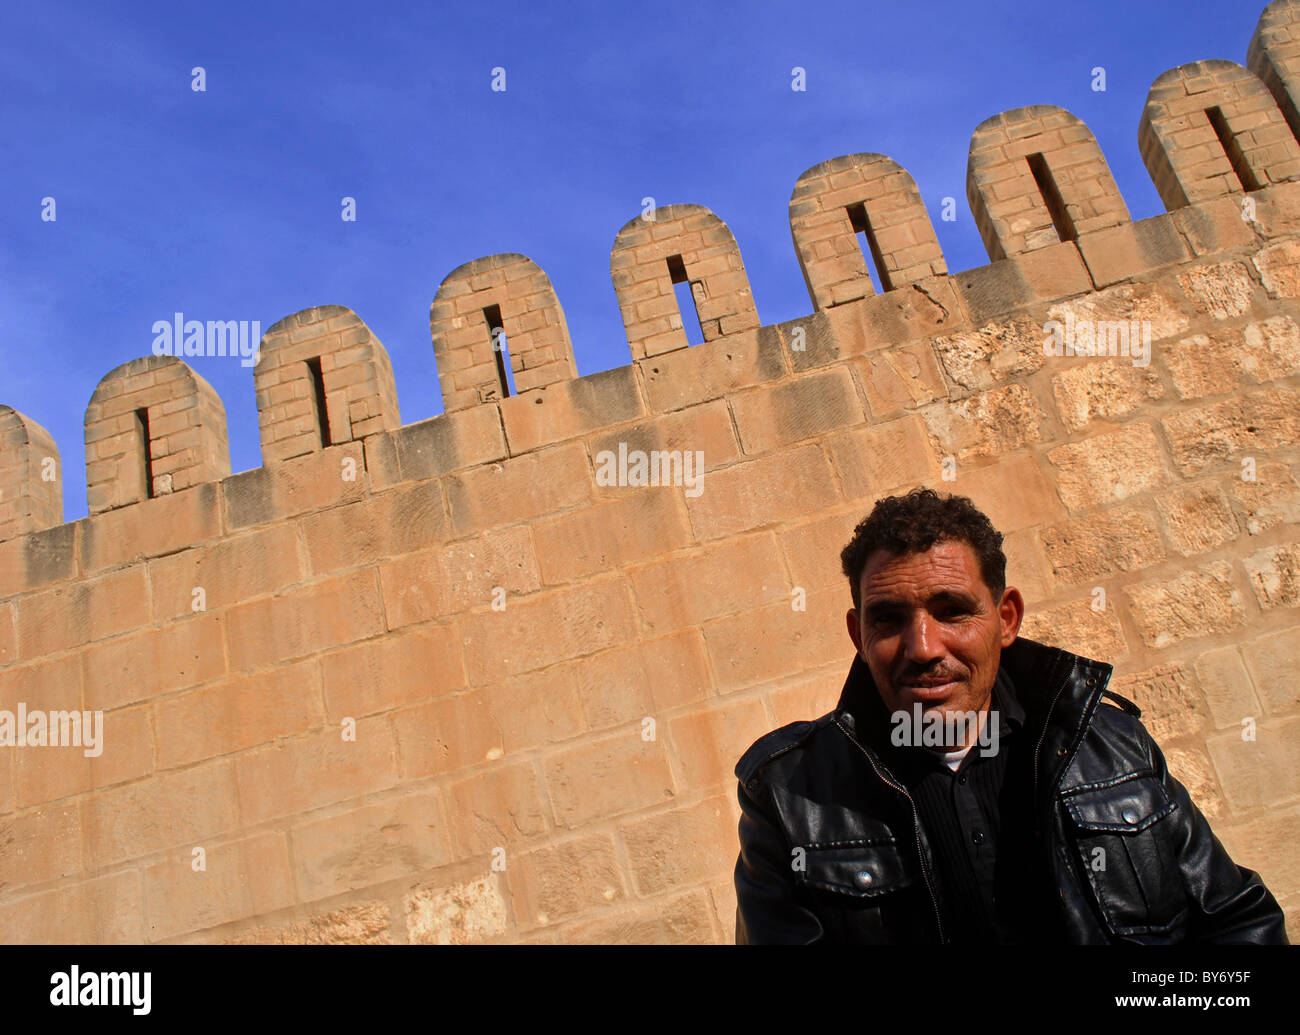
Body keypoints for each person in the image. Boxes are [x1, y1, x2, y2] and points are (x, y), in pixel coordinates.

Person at [732, 487, 1288, 944]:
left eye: (951, 611)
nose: (922, 646)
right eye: (890, 619)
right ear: (859, 636)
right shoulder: (786, 798)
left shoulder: (1111, 745)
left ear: (1006, 618)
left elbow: (1240, 923)